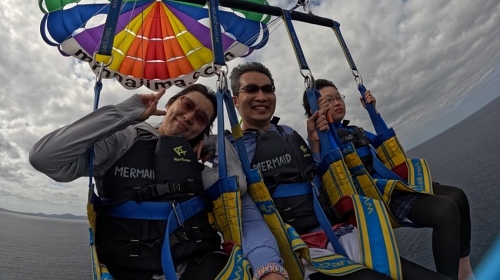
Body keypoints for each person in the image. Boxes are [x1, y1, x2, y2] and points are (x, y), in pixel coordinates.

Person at [30, 84, 288, 280]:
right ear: (171, 103)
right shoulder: (123, 140)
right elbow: (45, 158)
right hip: (127, 269)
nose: (190, 116)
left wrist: (216, 142)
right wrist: (127, 112)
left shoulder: (197, 166)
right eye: (186, 105)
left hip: (198, 266)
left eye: (200, 118)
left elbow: (236, 186)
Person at [225, 61, 453, 280]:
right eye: (251, 89)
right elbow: (246, 217)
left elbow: (316, 174)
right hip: (302, 249)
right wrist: (266, 264)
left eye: (268, 89)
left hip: (339, 230)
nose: (262, 96)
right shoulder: (232, 150)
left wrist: (315, 143)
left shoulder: (288, 132)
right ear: (235, 100)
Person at [302, 79, 474, 280]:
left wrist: (373, 113)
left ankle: (464, 270)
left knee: (458, 197)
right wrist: (319, 134)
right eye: (328, 101)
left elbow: (385, 145)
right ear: (315, 110)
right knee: (445, 210)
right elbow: (321, 169)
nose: (337, 102)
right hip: (371, 201)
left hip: (390, 188)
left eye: (339, 97)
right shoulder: (318, 142)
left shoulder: (354, 131)